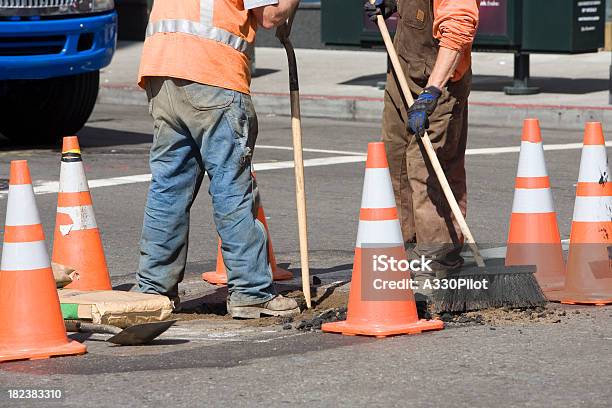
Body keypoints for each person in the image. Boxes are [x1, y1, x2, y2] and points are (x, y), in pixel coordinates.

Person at [136, 0, 301, 318]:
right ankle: (251, 292)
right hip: (211, 73)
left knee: (168, 187)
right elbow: (270, 15)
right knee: (232, 188)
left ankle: (154, 290)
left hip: (161, 71)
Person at [365, 0, 479, 296]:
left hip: (440, 83)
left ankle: (438, 259)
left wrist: (431, 93)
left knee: (425, 168)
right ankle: (405, 250)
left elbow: (458, 30)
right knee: (396, 162)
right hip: (403, 73)